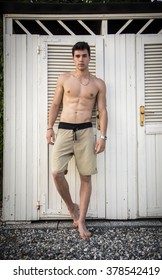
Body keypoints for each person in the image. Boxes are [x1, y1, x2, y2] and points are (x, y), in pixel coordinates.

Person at [46, 41, 108, 240]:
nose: (81, 59)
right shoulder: (64, 79)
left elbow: (102, 111)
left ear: (90, 57)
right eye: (78, 56)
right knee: (56, 173)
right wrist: (49, 127)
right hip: (64, 129)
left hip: (85, 131)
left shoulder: (98, 83)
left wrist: (103, 136)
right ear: (73, 58)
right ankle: (72, 208)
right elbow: (56, 103)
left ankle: (81, 220)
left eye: (84, 56)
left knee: (86, 177)